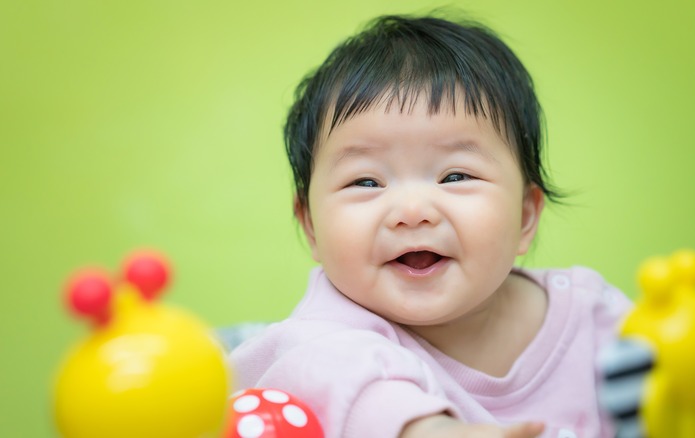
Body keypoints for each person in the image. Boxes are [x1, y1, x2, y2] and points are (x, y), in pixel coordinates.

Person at [230, 14, 634, 438]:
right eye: (366, 182)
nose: (412, 210)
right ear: (311, 228)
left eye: (455, 176)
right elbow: (329, 380)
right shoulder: (325, 334)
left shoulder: (594, 316)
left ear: (525, 216)